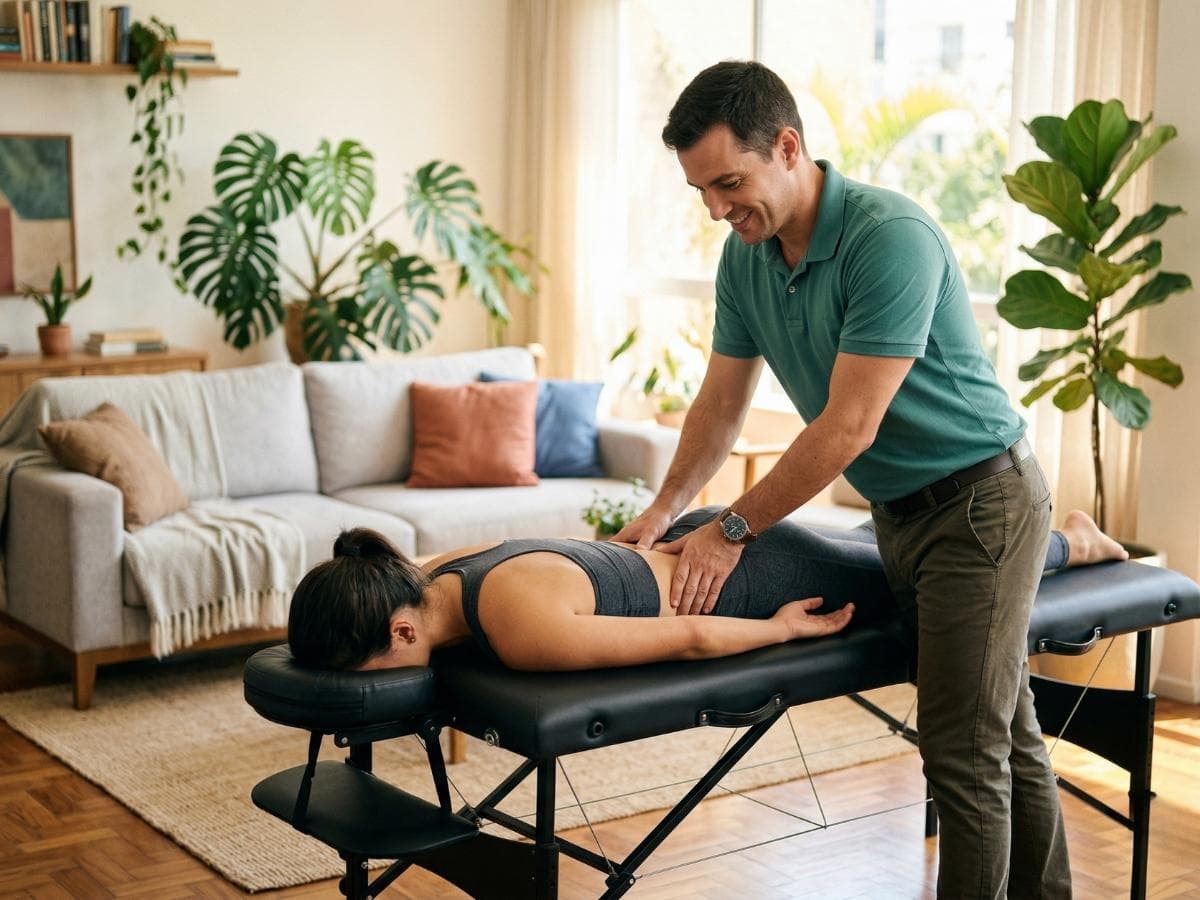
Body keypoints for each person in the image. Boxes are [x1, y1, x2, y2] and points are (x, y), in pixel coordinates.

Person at [609, 60, 1080, 898]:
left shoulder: (887, 235)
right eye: (701, 192)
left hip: (982, 503)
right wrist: (667, 507)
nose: (717, 210)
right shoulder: (745, 258)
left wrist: (730, 528)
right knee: (1003, 733)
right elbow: (720, 404)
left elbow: (847, 425)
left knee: (961, 750)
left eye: (729, 183)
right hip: (901, 513)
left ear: (787, 146)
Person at [287, 508, 1126, 674]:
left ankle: (1064, 540)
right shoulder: (436, 570)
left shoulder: (518, 624)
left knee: (948, 578)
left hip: (763, 575)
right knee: (874, 549)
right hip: (704, 538)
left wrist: (786, 634)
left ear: (400, 635)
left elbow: (688, 639)